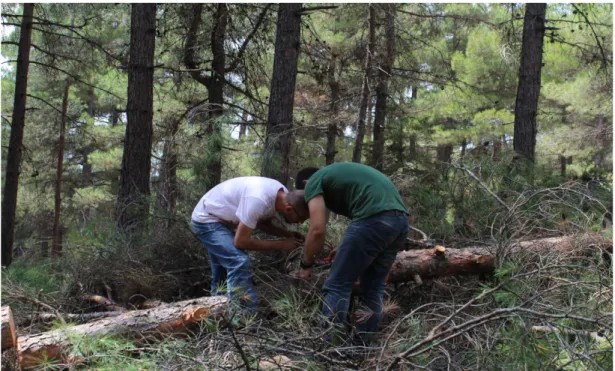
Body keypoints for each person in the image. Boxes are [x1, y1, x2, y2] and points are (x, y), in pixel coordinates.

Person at [287, 162, 409, 344]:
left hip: (374, 218)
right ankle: (363, 346)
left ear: (306, 183)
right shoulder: (340, 176)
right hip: (400, 222)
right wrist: (346, 244)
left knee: (337, 285)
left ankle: (329, 347)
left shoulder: (314, 181)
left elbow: (317, 229)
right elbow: (365, 214)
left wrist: (306, 265)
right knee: (373, 288)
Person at [191, 176, 307, 316]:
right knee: (239, 261)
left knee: (223, 268)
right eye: (301, 218)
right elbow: (241, 242)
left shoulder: (282, 194)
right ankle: (243, 319)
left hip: (223, 219)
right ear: (289, 209)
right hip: (207, 218)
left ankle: (217, 314)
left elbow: (264, 223)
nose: (300, 223)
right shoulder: (258, 200)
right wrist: (281, 244)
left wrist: (287, 234)